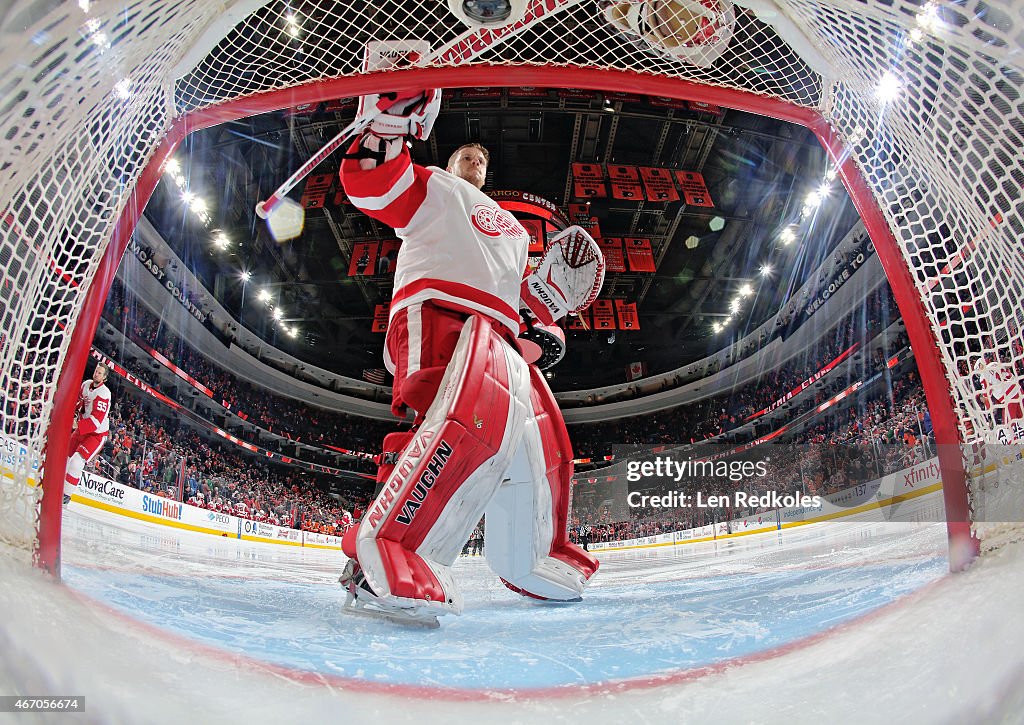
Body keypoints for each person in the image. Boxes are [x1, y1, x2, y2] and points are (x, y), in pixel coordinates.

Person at [336, 88, 603, 624]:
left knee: (536, 440)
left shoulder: (515, 233)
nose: (474, 163)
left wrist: (545, 310)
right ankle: (389, 557)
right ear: (451, 160)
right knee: (449, 422)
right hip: (437, 310)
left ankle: (535, 555)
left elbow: (523, 301)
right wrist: (384, 131)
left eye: (482, 159)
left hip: (499, 337)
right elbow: (375, 186)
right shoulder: (435, 185)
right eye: (466, 157)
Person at [64, 363, 112, 506]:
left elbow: (97, 420)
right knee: (64, 457)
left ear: (104, 377)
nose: (96, 373)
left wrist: (76, 425)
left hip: (96, 434)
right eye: (96, 371)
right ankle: (57, 485)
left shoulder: (104, 393)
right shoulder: (86, 384)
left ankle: (66, 495)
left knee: (76, 462)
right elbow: (78, 401)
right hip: (82, 428)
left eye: (100, 373)